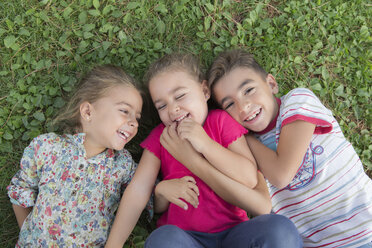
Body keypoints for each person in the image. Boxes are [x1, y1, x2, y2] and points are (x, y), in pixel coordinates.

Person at [106, 53, 302, 248]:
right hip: (185, 238)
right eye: (162, 105)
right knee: (163, 240)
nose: (173, 109)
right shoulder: (162, 137)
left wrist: (205, 144)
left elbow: (249, 177)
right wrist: (161, 192)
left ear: (205, 90)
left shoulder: (220, 122)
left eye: (180, 96)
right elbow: (138, 190)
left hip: (235, 234)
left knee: (280, 230)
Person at [208, 49, 372, 248]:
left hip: (366, 231)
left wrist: (242, 137)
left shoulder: (297, 102)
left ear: (271, 84)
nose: (243, 107)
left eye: (249, 90)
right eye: (230, 105)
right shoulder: (240, 155)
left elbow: (281, 174)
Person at [7, 65, 145, 247]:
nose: (134, 123)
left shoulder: (122, 164)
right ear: (88, 112)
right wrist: (28, 235)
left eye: (137, 117)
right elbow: (20, 191)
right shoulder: (47, 147)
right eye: (125, 111)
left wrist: (163, 190)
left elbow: (144, 193)